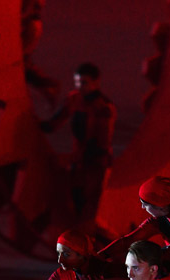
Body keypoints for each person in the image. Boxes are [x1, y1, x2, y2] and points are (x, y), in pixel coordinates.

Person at [41, 61, 116, 223]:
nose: (80, 86)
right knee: (74, 201)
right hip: (79, 162)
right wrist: (36, 123)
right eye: (77, 82)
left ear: (96, 82)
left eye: (84, 83)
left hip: (96, 165)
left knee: (89, 207)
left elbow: (102, 142)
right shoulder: (74, 99)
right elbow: (55, 122)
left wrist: (73, 158)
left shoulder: (103, 107)